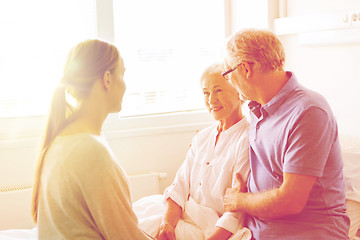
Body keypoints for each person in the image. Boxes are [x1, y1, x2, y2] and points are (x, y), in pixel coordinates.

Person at [222, 29, 350, 239]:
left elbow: (290, 201)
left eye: (228, 73)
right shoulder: (257, 109)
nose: (229, 81)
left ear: (245, 68)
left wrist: (239, 200)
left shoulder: (308, 111)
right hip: (256, 229)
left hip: (306, 232)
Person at [31, 39, 152, 240]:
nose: (125, 85)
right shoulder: (90, 151)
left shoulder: (63, 138)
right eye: (122, 73)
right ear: (107, 79)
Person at [133, 63, 251, 240]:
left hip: (209, 227)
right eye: (206, 93)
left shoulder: (247, 140)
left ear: (239, 92)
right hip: (181, 213)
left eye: (218, 90)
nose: (211, 100)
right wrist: (167, 224)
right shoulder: (202, 137)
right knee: (133, 217)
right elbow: (178, 187)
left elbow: (236, 213)